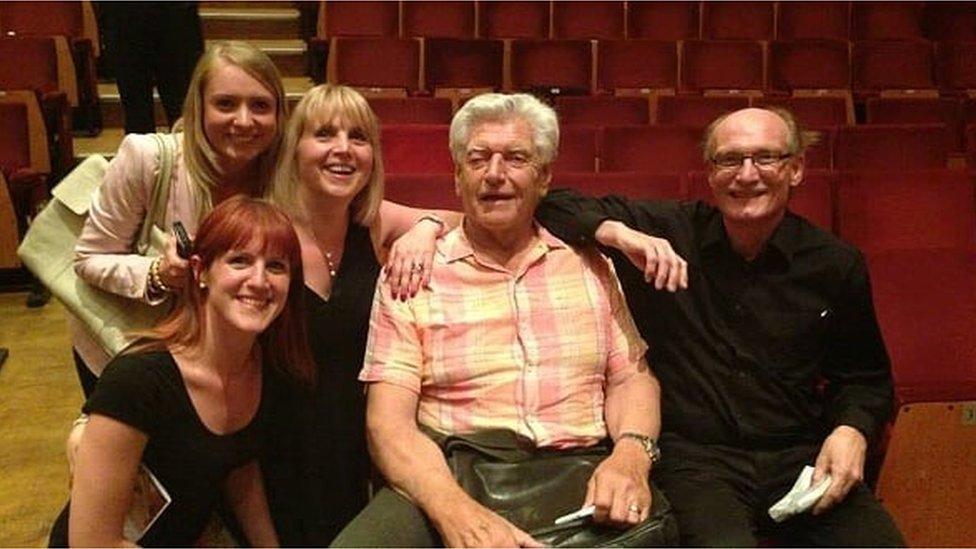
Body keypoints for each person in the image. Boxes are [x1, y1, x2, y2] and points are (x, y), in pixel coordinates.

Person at [535, 107, 906, 546]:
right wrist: (620, 236)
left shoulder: (834, 264)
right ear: (710, 174)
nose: (746, 175)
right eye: (729, 160)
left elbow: (865, 379)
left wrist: (852, 432)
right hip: (697, 461)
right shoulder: (670, 232)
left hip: (798, 457)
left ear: (796, 169)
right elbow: (551, 204)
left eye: (765, 158)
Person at [332, 92, 663, 547]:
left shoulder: (590, 265)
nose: (494, 174)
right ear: (457, 176)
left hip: (576, 468)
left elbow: (631, 379)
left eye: (515, 158)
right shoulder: (413, 272)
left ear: (543, 177)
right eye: (478, 158)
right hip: (450, 469)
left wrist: (630, 455)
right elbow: (387, 425)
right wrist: (454, 512)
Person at [49, 196, 314, 547]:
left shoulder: (265, 369)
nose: (259, 280)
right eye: (240, 261)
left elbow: (239, 469)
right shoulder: (138, 381)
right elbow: (92, 542)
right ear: (200, 272)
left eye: (276, 266)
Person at [262, 83, 459, 546]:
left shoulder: (373, 223)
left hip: (357, 448)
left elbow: (465, 221)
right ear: (295, 148)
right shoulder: (264, 227)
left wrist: (424, 229)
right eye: (325, 134)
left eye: (359, 137)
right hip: (277, 449)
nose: (343, 150)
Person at [71, 40, 287, 396]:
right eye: (226, 104)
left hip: (224, 356)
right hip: (132, 349)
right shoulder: (148, 159)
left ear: (279, 115)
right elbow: (87, 259)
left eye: (260, 106)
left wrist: (417, 228)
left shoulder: (284, 177)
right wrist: (159, 274)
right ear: (198, 107)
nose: (244, 120)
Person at [97, 2, 204, 134]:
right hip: (123, 15)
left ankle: (188, 153)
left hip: (176, 13)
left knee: (184, 109)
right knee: (136, 115)